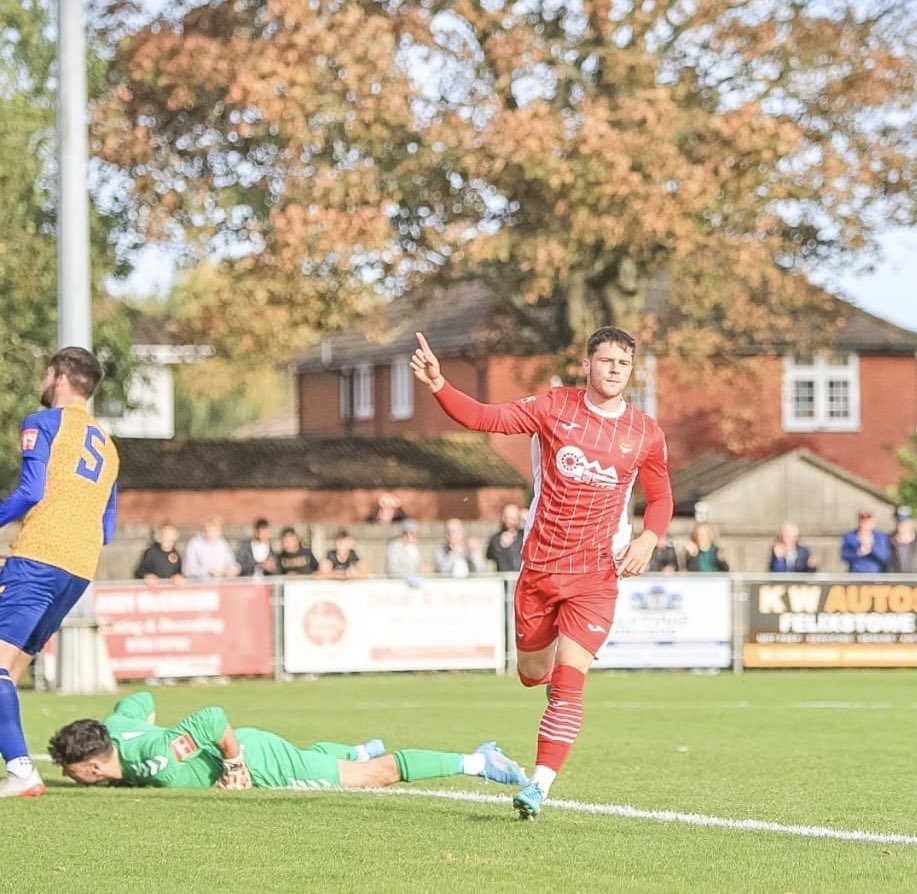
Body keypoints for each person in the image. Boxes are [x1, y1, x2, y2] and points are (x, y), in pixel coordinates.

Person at [411, 327, 673, 820]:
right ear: (588, 365)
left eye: (623, 362)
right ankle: (549, 695)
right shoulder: (553, 407)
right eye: (606, 360)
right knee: (534, 674)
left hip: (597, 574)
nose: (614, 369)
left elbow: (661, 498)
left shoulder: (645, 433)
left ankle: (538, 785)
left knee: (571, 684)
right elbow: (486, 418)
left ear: (630, 370)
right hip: (541, 568)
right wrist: (439, 385)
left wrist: (649, 538)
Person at [0, 346, 120, 797]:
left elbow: (32, 491)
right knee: (7, 673)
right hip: (78, 568)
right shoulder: (107, 445)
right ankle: (16, 767)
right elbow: (107, 525)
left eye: (48, 373)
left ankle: (20, 772)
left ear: (60, 376)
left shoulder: (43, 421)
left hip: (40, 556)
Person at [47, 690, 527, 792]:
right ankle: (353, 749)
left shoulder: (150, 756)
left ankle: (479, 761)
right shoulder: (117, 723)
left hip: (262, 764)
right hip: (257, 746)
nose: (69, 778)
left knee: (371, 779)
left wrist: (234, 767)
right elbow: (142, 698)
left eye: (69, 771)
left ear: (89, 766)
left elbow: (213, 716)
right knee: (319, 759)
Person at [841, 509, 891, 573]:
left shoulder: (880, 537)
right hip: (855, 575)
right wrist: (859, 552)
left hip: (875, 575)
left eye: (868, 521)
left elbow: (885, 558)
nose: (865, 524)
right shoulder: (850, 536)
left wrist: (871, 549)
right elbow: (844, 556)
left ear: (873, 522)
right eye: (863, 521)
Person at [384, 519, 428, 585]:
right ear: (406, 534)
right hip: (398, 585)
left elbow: (418, 565)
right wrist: (415, 572)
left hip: (415, 584)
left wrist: (424, 568)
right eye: (413, 533)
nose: (415, 536)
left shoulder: (414, 547)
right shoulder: (394, 547)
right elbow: (392, 570)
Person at [486, 502, 525, 572]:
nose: (511, 522)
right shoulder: (496, 538)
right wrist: (500, 545)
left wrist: (527, 518)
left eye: (514, 518)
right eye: (508, 518)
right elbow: (489, 555)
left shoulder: (523, 536)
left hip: (521, 577)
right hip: (504, 578)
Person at [888, 507, 917, 574]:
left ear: (912, 523)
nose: (901, 524)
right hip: (894, 582)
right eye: (899, 521)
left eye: (904, 521)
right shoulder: (887, 540)